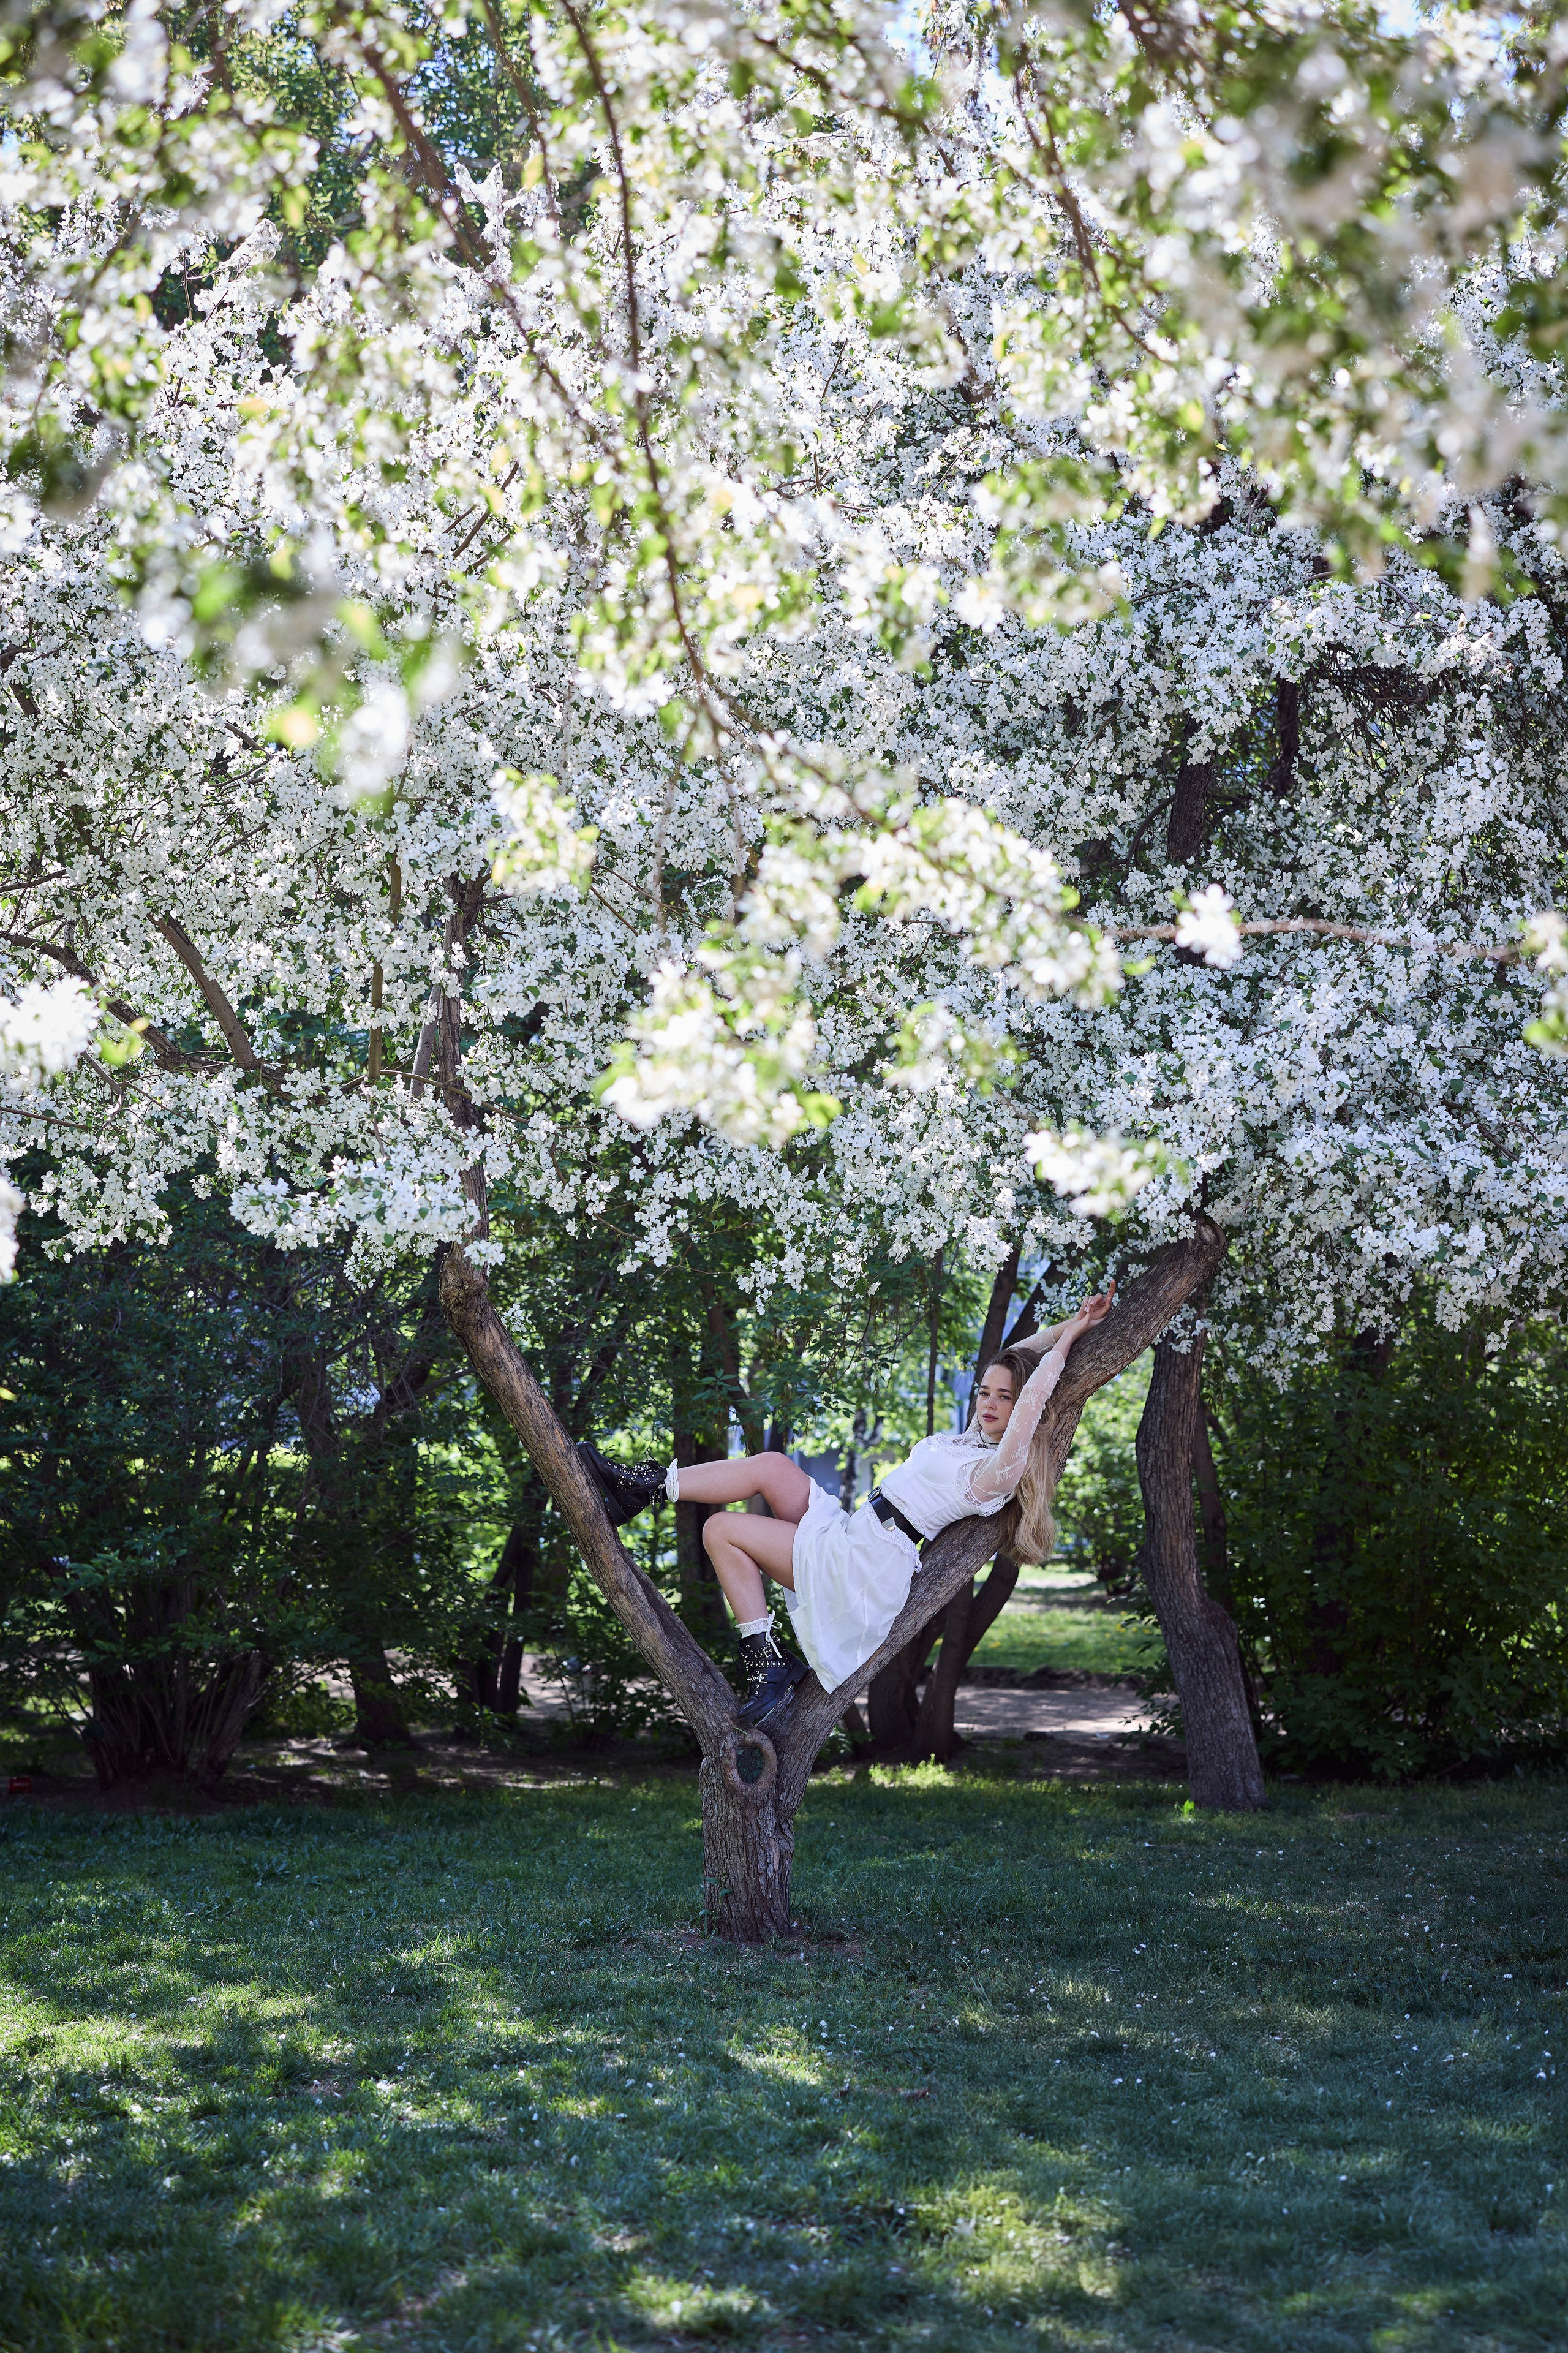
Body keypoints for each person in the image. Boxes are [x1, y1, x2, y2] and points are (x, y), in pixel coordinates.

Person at [578, 1283, 1117, 1726]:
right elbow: (1023, 1355)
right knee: (771, 1467)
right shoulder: (970, 1439)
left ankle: (765, 1664)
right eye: (986, 1392)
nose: (992, 1403)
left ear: (1021, 1405)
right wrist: (1074, 1320)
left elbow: (1034, 1393)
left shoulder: (996, 1470)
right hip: (857, 1530)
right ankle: (643, 1486)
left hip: (865, 1564)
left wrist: (1068, 1345)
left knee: (721, 1530)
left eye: (1005, 1397)